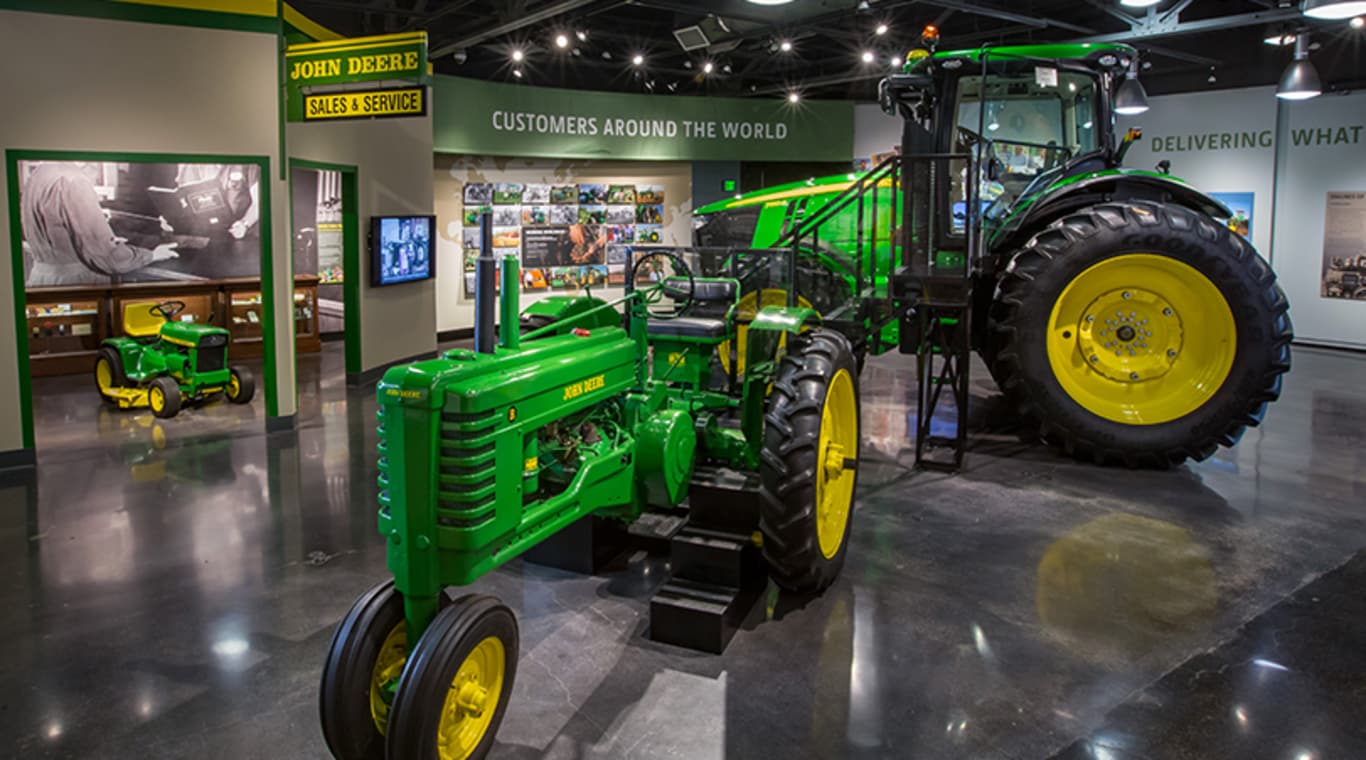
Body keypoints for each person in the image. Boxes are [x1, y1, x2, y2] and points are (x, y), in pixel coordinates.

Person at [21, 162, 179, 286]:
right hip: (77, 285)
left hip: (41, 278)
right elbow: (106, 258)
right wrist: (151, 255)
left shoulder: (39, 174)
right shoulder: (74, 181)